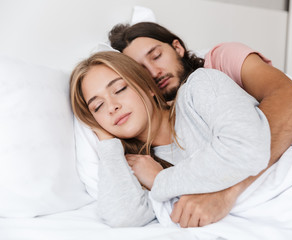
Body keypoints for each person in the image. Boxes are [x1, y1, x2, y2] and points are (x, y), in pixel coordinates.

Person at [107, 22, 292, 225]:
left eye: (156, 56)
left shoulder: (219, 63)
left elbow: (290, 101)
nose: (154, 72)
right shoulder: (159, 128)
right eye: (141, 70)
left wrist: (225, 192)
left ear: (177, 47)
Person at [70, 51, 271, 227]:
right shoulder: (138, 165)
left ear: (147, 86)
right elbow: (123, 217)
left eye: (120, 89)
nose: (112, 106)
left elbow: (248, 149)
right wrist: (107, 143)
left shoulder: (200, 87)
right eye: (98, 106)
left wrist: (160, 179)